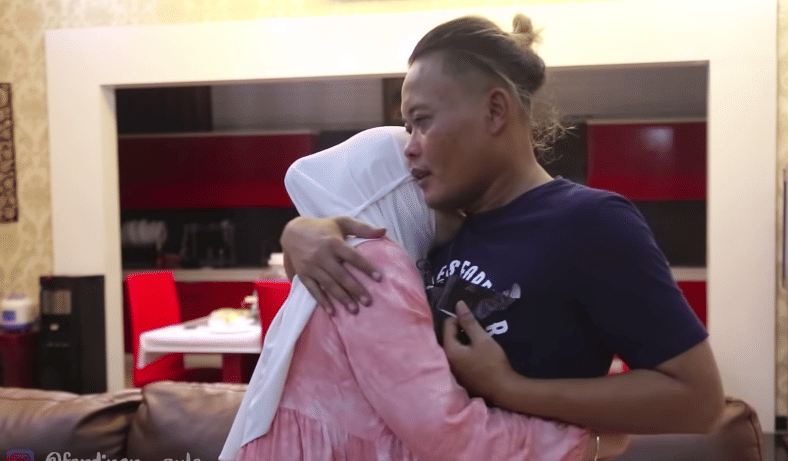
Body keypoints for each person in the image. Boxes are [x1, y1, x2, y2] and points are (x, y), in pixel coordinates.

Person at [283, 13, 725, 438]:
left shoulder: (591, 223)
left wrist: (510, 389)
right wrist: (300, 237)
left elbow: (698, 400)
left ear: (495, 111)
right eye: (407, 127)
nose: (409, 148)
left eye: (422, 122)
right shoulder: (434, 226)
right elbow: (342, 302)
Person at [220, 126, 629, 461]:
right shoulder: (373, 265)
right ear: (399, 193)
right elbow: (443, 430)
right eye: (428, 183)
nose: (452, 202)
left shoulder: (361, 258)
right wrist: (584, 445)